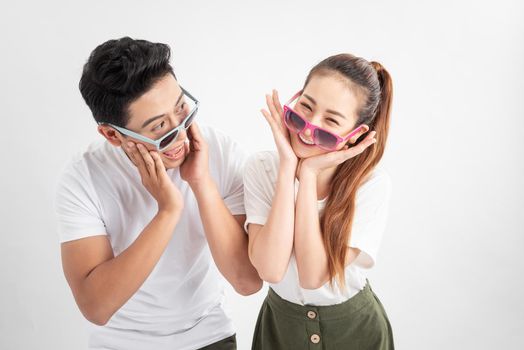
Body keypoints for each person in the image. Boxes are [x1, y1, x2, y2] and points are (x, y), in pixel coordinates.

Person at [55, 37, 262, 350]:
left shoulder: (218, 150)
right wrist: (167, 211)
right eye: (158, 127)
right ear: (112, 134)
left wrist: (201, 181)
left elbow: (247, 282)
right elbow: (96, 308)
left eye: (180, 108)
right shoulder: (83, 178)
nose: (179, 133)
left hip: (209, 336)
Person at [244, 53, 394, 349]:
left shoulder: (370, 185)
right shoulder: (262, 168)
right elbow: (270, 269)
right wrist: (288, 167)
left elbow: (313, 276)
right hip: (279, 328)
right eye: (306, 106)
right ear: (296, 96)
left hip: (354, 330)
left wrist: (309, 174)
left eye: (331, 120)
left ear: (355, 135)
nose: (309, 126)